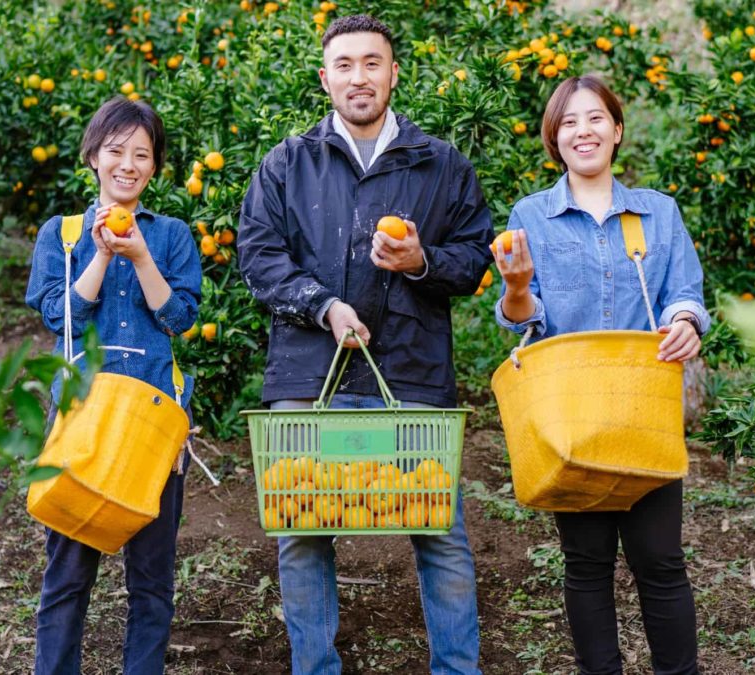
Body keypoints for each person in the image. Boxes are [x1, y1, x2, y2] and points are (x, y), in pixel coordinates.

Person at [236, 14, 493, 675]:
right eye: (345, 65)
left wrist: (420, 261)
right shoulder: (287, 164)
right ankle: (314, 667)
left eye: (372, 63)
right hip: (307, 373)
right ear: (325, 78)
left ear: (394, 74)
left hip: (410, 373)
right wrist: (322, 305)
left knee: (439, 532)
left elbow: (473, 260)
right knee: (302, 530)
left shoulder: (441, 164)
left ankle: (457, 669)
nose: (359, 77)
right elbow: (259, 257)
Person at [492, 74, 707, 675]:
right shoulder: (531, 214)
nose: (581, 131)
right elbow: (520, 321)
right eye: (567, 123)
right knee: (585, 564)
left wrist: (686, 320)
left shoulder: (657, 214)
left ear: (616, 130)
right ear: (553, 139)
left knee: (660, 561)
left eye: (593, 119)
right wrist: (514, 289)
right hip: (571, 417)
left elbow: (683, 293)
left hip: (643, 412)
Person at [25, 96, 202, 674]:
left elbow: (179, 320)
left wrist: (142, 256)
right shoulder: (64, 234)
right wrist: (100, 256)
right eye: (116, 151)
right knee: (67, 574)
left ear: (155, 167)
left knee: (152, 580)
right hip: (85, 418)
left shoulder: (172, 235)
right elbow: (58, 316)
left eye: (142, 154)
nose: (128, 164)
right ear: (93, 157)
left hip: (152, 418)